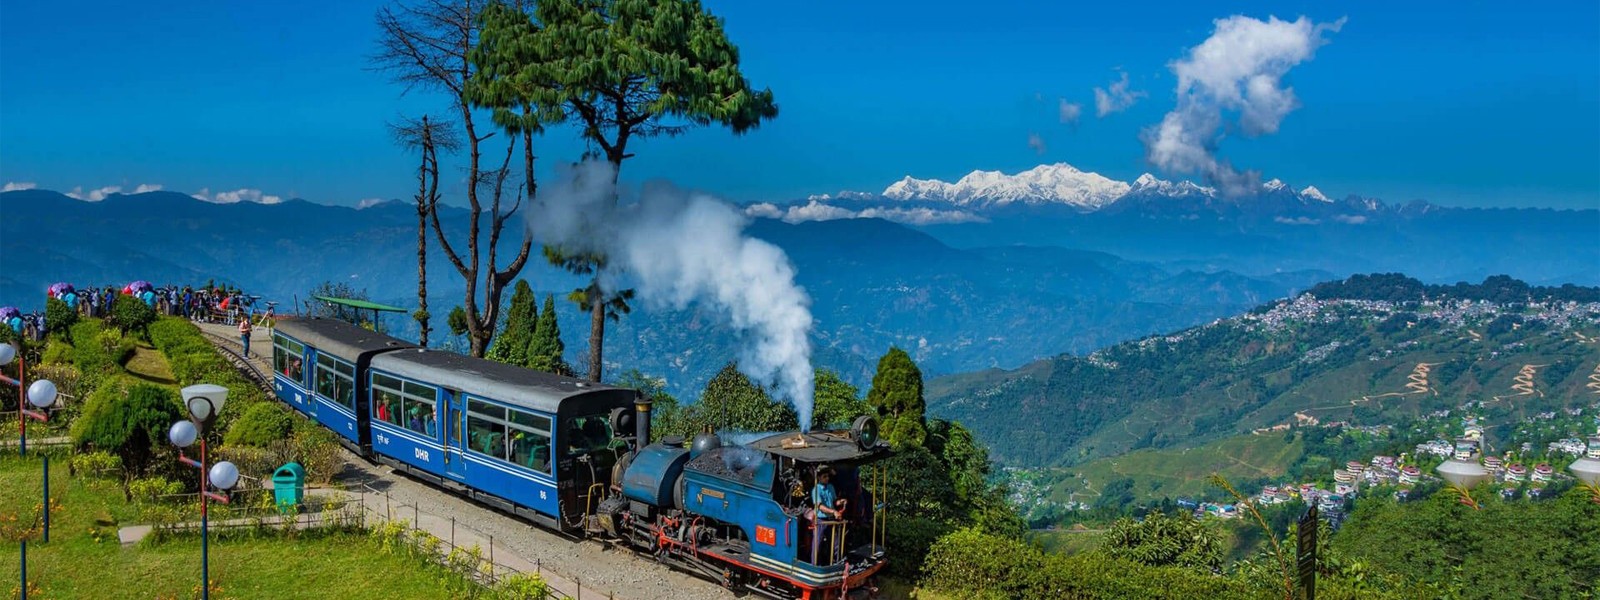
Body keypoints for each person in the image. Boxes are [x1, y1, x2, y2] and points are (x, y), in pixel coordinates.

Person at [811, 466, 847, 564]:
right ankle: (814, 565)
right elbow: (820, 507)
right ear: (819, 478)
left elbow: (834, 502)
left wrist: (840, 502)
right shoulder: (816, 490)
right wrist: (834, 512)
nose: (827, 478)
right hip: (821, 521)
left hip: (831, 520)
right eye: (824, 476)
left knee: (836, 544)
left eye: (828, 476)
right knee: (817, 545)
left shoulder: (831, 487)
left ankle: (836, 562)